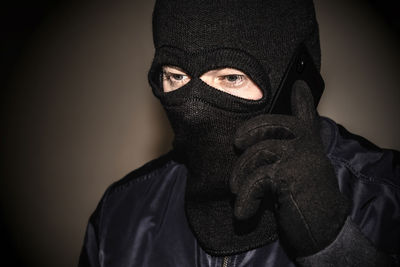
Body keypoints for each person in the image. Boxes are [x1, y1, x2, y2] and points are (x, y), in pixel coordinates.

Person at [79, 0, 400, 266]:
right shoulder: (121, 216)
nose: (194, 109)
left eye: (231, 77)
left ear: (294, 78)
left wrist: (337, 248)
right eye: (175, 76)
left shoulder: (386, 196)